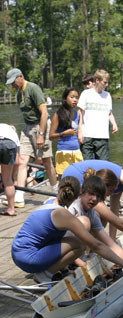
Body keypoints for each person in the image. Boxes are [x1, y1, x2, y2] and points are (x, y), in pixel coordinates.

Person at [12, 175, 123, 284]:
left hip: (17, 253)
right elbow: (96, 245)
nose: (95, 199)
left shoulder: (50, 202)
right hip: (29, 259)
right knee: (80, 244)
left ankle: (58, 269)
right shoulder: (63, 214)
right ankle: (44, 275)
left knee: (69, 238)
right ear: (79, 195)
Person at [5, 68, 57, 208]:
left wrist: (40, 135)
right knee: (22, 160)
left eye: (14, 82)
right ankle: (20, 196)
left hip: (41, 126)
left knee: (47, 162)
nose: (13, 85)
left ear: (20, 77)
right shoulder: (18, 94)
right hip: (27, 127)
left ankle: (55, 191)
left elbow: (44, 113)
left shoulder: (33, 89)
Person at [77, 69, 118, 161]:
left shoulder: (107, 96)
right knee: (88, 166)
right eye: (104, 82)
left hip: (102, 136)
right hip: (87, 135)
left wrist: (114, 124)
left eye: (107, 82)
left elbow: (109, 113)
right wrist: (79, 131)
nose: (106, 85)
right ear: (97, 80)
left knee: (103, 165)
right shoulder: (86, 94)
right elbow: (79, 113)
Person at [49, 88, 83, 180]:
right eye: (72, 97)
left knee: (79, 179)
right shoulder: (58, 114)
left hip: (76, 152)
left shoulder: (76, 114)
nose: (75, 100)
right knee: (64, 180)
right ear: (65, 99)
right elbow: (51, 136)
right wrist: (64, 133)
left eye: (77, 97)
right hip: (64, 152)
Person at [0, 124, 20, 216]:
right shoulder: (13, 135)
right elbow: (17, 160)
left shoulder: (2, 126)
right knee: (8, 181)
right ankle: (11, 209)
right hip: (10, 145)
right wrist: (12, 176)